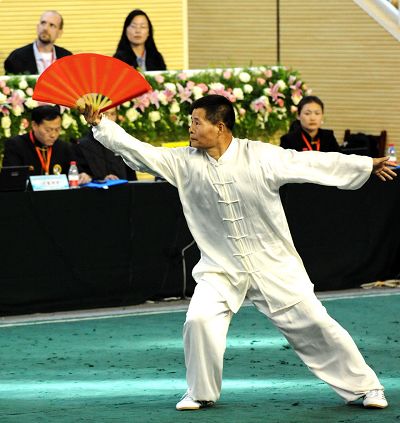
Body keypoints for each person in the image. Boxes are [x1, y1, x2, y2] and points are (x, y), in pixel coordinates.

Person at [82, 94, 396, 411]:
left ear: (220, 127)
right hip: (220, 268)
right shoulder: (182, 162)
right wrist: (100, 123)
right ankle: (200, 392)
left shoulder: (259, 156)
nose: (190, 128)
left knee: (316, 323)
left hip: (273, 264)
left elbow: (308, 162)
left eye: (196, 121)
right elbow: (138, 151)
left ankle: (366, 388)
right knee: (199, 320)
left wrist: (364, 164)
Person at [3, 105, 90, 185]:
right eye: (48, 130)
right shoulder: (16, 145)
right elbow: (11, 178)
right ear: (34, 125)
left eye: (57, 129)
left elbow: (77, 170)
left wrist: (83, 175)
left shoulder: (63, 147)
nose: (53, 135)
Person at [76, 107, 137, 181]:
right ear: (96, 115)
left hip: (122, 189)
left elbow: (131, 177)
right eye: (105, 114)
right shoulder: (83, 145)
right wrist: (100, 180)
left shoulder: (123, 141)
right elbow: (81, 176)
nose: (109, 118)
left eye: (113, 114)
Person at [4, 10, 72, 75]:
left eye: (52, 25)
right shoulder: (17, 57)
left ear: (59, 33)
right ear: (37, 27)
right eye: (43, 23)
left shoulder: (67, 58)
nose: (45, 28)